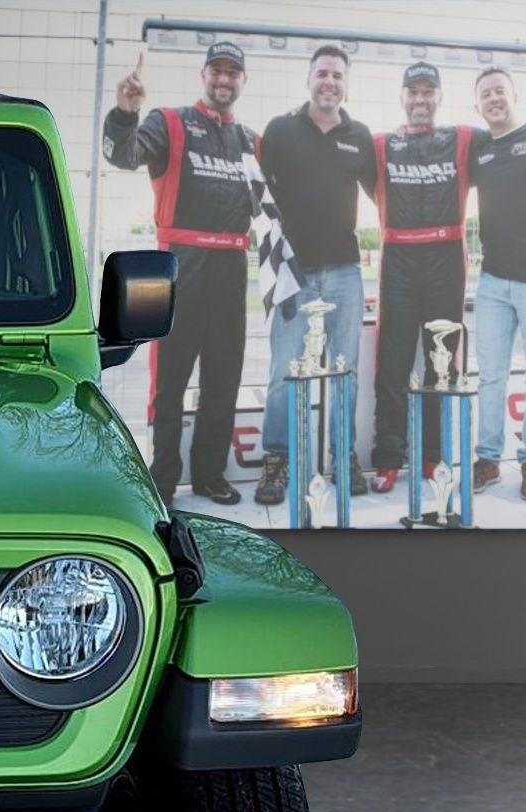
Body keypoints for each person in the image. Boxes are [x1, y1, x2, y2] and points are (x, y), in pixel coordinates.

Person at [102, 41, 255, 506]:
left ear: (242, 81)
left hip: (233, 269)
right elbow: (123, 155)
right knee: (169, 381)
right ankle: (163, 479)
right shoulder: (169, 122)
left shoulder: (251, 140)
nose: (224, 79)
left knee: (223, 379)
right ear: (203, 75)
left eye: (233, 72)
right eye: (217, 71)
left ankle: (209, 474)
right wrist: (125, 113)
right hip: (181, 263)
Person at [256, 45, 376, 505]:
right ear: (309, 78)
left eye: (338, 76)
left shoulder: (360, 136)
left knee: (343, 372)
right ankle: (278, 458)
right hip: (293, 271)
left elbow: (385, 196)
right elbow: (255, 195)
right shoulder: (281, 130)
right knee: (285, 371)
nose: (330, 82)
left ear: (346, 84)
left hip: (345, 271)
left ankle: (342, 456)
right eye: (323, 73)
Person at [367, 63, 473, 493]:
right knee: (391, 362)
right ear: (402, 98)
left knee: (440, 364)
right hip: (399, 258)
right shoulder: (379, 144)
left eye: (429, 92)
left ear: (440, 97)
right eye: (413, 92)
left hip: (447, 258)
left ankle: (434, 455)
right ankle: (389, 457)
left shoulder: (463, 138)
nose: (421, 100)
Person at [470, 67, 526, 498]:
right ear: (478, 103)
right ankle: (487, 460)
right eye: (486, 93)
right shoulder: (478, 150)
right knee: (490, 376)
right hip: (491, 282)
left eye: (500, 91)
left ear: (514, 96)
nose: (494, 98)